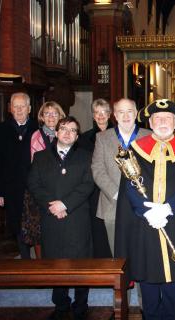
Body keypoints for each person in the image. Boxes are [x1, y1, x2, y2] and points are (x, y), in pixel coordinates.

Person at [115, 99, 175, 319]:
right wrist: (147, 211)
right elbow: (129, 185)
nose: (162, 121)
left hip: (174, 222)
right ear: (151, 121)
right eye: (158, 118)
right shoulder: (137, 149)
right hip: (144, 223)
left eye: (168, 118)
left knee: (173, 276)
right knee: (147, 274)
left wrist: (168, 209)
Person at [28, 116, 94, 320]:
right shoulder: (40, 157)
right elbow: (34, 185)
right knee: (55, 262)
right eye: (63, 129)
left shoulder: (86, 156)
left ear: (77, 136)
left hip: (77, 218)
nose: (67, 133)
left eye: (73, 130)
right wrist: (53, 206)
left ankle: (81, 305)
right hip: (52, 219)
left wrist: (65, 204)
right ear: (56, 133)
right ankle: (61, 304)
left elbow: (87, 184)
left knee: (80, 263)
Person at [91, 98, 150, 255]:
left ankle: (138, 280)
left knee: (141, 250)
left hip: (143, 203)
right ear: (115, 116)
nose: (125, 116)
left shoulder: (149, 136)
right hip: (112, 204)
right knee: (117, 253)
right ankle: (122, 280)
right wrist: (117, 193)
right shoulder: (102, 138)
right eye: (121, 112)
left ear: (136, 113)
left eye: (129, 111)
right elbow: (97, 169)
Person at [0, 92, 38, 259]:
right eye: (15, 106)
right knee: (17, 226)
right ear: (10, 108)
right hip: (11, 188)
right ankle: (25, 261)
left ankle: (41, 262)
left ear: (29, 109)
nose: (19, 109)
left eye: (22, 106)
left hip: (35, 187)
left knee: (38, 225)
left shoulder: (38, 129)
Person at [21, 101, 66, 259]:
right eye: (47, 113)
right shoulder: (36, 135)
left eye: (54, 113)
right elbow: (37, 164)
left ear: (60, 116)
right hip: (42, 187)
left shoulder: (66, 133)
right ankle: (42, 263)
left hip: (62, 185)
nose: (51, 116)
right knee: (38, 229)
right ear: (41, 117)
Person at [79, 99, 113, 259]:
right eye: (97, 113)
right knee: (96, 225)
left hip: (113, 185)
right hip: (93, 188)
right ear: (93, 115)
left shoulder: (118, 134)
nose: (101, 116)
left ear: (109, 114)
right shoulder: (84, 138)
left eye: (104, 112)